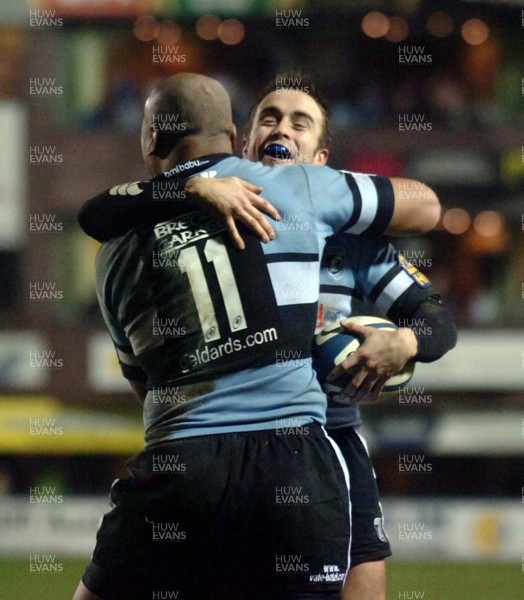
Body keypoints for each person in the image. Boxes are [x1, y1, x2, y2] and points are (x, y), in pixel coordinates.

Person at [80, 76, 454, 600]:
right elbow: (96, 213)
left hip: (327, 440)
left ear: (321, 156)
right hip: (291, 451)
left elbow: (434, 301)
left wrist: (406, 344)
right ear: (241, 139)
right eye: (270, 117)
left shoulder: (340, 226)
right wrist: (196, 185)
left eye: (300, 122)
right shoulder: (259, 196)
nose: (282, 127)